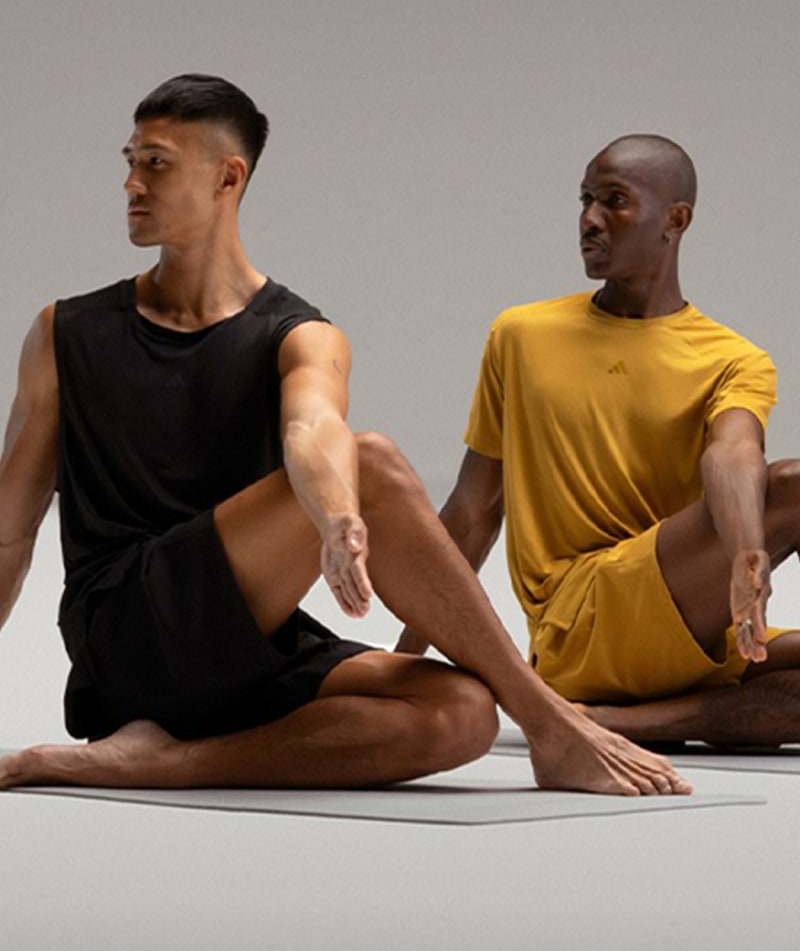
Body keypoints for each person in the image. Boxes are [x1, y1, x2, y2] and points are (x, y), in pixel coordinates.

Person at [0, 78, 688, 796]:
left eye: (156, 162)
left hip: (241, 646)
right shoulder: (66, 332)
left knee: (461, 714)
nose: (131, 182)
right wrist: (341, 505)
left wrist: (336, 517)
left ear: (227, 177)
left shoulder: (298, 332)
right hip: (126, 635)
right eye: (130, 160)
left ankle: (160, 762)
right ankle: (551, 722)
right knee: (374, 463)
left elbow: (312, 425)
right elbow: (10, 535)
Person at [399, 133, 800, 749]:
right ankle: (621, 707)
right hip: (577, 624)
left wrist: (749, 553)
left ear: (676, 220)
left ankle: (616, 721)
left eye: (614, 201)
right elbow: (473, 510)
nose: (589, 219)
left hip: (687, 631)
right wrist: (405, 667)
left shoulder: (732, 357)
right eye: (585, 200)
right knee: (793, 485)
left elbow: (733, 452)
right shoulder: (523, 335)